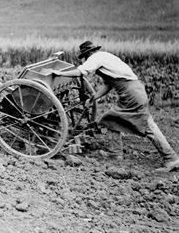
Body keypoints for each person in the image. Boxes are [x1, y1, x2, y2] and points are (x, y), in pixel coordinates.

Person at [51, 40, 179, 173]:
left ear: (88, 53)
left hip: (131, 94)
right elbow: (108, 85)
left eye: (85, 57)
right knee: (112, 120)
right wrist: (93, 97)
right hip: (135, 91)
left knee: (146, 126)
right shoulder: (107, 56)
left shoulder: (95, 58)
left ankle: (171, 159)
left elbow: (80, 72)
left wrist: (59, 73)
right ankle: (115, 154)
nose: (86, 59)